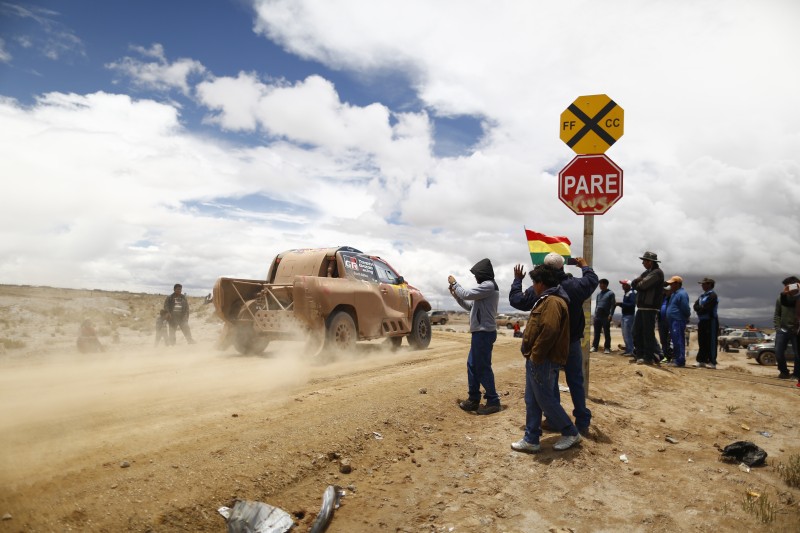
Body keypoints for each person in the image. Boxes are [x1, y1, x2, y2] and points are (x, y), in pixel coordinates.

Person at [509, 253, 598, 436]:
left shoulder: (540, 289)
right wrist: (584, 265)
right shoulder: (576, 285)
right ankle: (581, 422)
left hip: (551, 345)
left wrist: (518, 280)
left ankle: (553, 420)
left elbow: (516, 300)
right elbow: (592, 280)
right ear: (563, 267)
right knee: (575, 382)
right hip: (572, 342)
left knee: (550, 384)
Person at [511, 264, 581, 453]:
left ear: (541, 283)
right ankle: (531, 438)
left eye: (534, 282)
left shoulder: (552, 302)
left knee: (545, 399)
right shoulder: (548, 299)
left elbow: (549, 330)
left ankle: (570, 431)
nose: (533, 286)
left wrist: (536, 355)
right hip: (538, 359)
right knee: (532, 399)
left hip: (543, 360)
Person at [449, 258, 501, 415]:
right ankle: (473, 399)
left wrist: (454, 284)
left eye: (476, 275)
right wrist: (456, 296)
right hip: (480, 332)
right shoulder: (485, 288)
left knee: (482, 367)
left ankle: (493, 401)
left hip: (484, 333)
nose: (475, 278)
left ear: (482, 274)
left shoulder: (488, 286)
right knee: (472, 365)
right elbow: (470, 306)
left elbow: (466, 294)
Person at [631, 251, 664, 365]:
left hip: (650, 307)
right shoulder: (647, 272)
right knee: (636, 332)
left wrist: (639, 283)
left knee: (647, 333)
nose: (643, 263)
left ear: (650, 262)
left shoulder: (657, 273)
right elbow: (635, 283)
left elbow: (642, 285)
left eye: (644, 261)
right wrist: (638, 282)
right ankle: (640, 355)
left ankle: (648, 357)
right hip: (642, 307)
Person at [773, 276, 800, 380]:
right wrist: (777, 327)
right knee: (778, 352)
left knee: (798, 354)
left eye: (789, 286)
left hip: (797, 330)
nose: (787, 288)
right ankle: (784, 372)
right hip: (783, 329)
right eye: (786, 286)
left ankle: (797, 374)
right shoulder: (781, 297)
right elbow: (777, 314)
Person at [693, 277, 719, 369]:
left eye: (704, 284)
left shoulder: (712, 296)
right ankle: (701, 360)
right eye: (702, 284)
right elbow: (695, 306)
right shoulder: (702, 296)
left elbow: (707, 308)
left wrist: (700, 308)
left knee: (710, 341)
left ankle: (712, 361)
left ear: (709, 285)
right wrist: (700, 308)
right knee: (702, 341)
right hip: (702, 320)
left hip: (710, 321)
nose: (702, 286)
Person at [665, 276, 690, 367]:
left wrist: (686, 316)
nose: (670, 285)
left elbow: (685, 308)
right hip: (673, 320)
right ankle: (676, 359)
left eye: (672, 283)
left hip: (678, 320)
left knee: (679, 340)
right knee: (675, 340)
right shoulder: (674, 294)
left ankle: (680, 360)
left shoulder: (682, 294)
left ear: (677, 284)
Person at [590, 279, 616, 354]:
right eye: (600, 284)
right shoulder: (598, 294)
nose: (600, 286)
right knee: (596, 332)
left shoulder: (611, 293)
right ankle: (595, 346)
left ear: (605, 285)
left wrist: (611, 315)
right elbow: (597, 305)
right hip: (598, 315)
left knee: (606, 332)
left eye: (602, 284)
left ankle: (607, 348)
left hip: (606, 316)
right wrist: (595, 314)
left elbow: (613, 305)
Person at [617, 280, 636, 356]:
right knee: (625, 334)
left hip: (629, 316)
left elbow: (632, 305)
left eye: (624, 285)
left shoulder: (631, 293)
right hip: (625, 315)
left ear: (628, 285)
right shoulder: (627, 293)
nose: (622, 286)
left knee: (628, 334)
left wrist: (621, 304)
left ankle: (631, 350)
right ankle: (628, 349)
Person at [657, 285, 673, 362]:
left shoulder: (672, 298)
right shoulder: (663, 298)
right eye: (664, 290)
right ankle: (664, 356)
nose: (665, 291)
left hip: (669, 321)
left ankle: (670, 356)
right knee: (663, 340)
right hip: (661, 321)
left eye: (667, 290)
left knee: (668, 340)